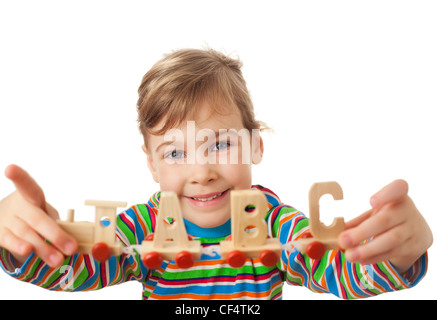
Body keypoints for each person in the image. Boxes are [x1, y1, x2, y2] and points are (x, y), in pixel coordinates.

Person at [0, 49, 432, 299]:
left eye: (221, 144)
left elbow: (339, 272)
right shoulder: (140, 227)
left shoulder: (276, 224)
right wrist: (21, 243)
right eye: (174, 153)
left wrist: (398, 255)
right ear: (151, 164)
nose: (201, 172)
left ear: (256, 146)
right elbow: (74, 271)